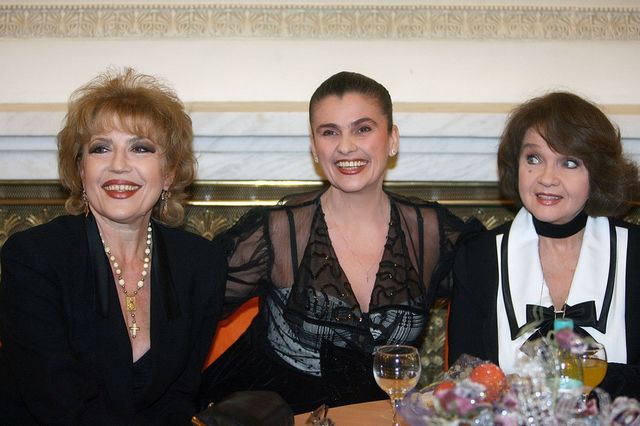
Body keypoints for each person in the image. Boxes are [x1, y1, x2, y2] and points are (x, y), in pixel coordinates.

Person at [199, 71, 480, 413]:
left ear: (392, 139)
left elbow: (496, 293)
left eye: (363, 129)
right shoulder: (277, 232)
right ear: (314, 147)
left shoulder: (432, 233)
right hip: (277, 414)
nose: (345, 146)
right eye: (329, 132)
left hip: (380, 416)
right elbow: (188, 301)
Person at [0, 68, 226, 424]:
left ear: (168, 173)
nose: (119, 165)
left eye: (140, 148)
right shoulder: (33, 257)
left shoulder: (201, 263)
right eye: (101, 148)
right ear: (81, 170)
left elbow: (179, 396)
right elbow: (59, 406)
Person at [448, 91, 640, 398]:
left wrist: (575, 376)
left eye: (569, 163)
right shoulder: (478, 258)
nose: (547, 178)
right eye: (534, 159)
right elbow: (464, 387)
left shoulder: (635, 254)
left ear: (597, 174)